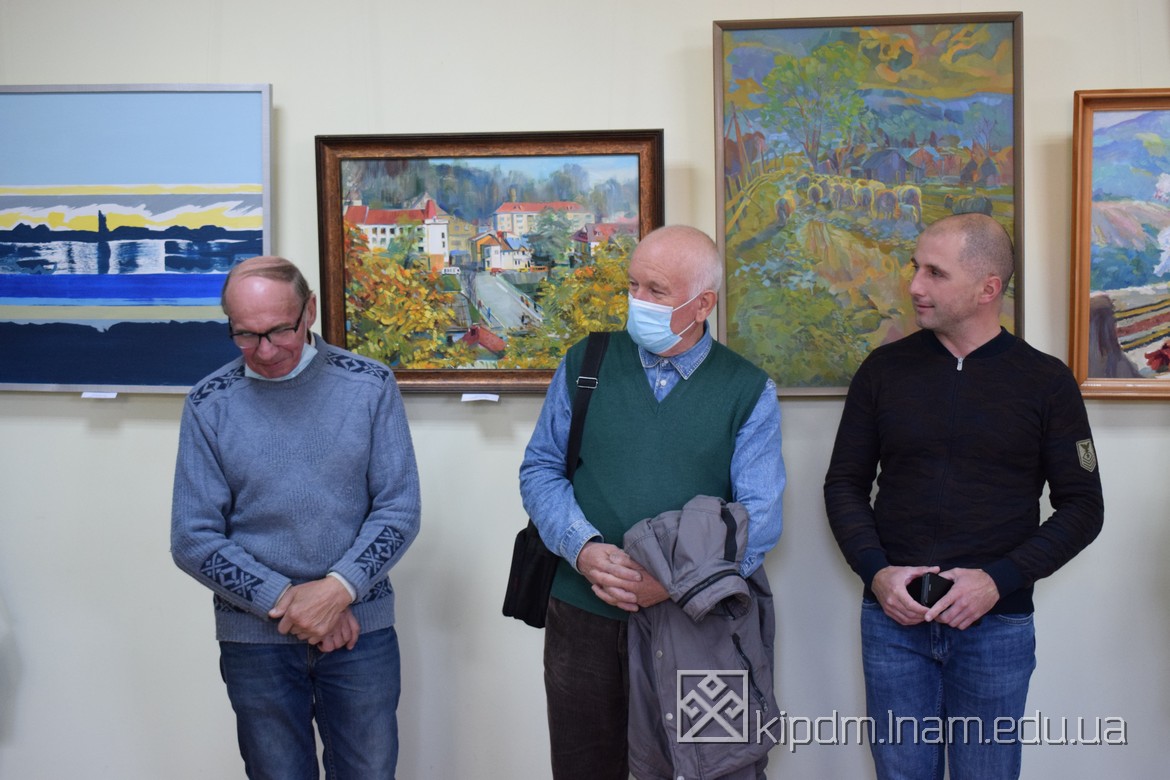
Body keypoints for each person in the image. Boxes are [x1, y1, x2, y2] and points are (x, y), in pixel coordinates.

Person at [823, 213, 1104, 780]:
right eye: (916, 267)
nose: (914, 285)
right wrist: (877, 573)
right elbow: (844, 484)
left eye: (935, 272)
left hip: (995, 629)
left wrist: (998, 580)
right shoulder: (883, 371)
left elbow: (1083, 507)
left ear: (987, 288)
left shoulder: (1047, 382)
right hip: (893, 621)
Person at [519, 225, 786, 779]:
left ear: (702, 304)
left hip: (697, 625)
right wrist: (583, 549)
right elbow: (541, 468)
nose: (637, 301)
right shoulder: (586, 362)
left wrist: (673, 581)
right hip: (584, 615)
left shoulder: (747, 389)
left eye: (656, 290)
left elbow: (760, 517)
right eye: (632, 285)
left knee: (703, 767)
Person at [171, 256, 421, 780]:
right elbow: (193, 538)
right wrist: (297, 605)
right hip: (255, 637)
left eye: (279, 330)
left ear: (309, 311)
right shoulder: (208, 403)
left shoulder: (370, 385)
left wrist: (337, 592)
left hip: (360, 630)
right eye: (245, 335)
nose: (265, 351)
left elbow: (398, 509)